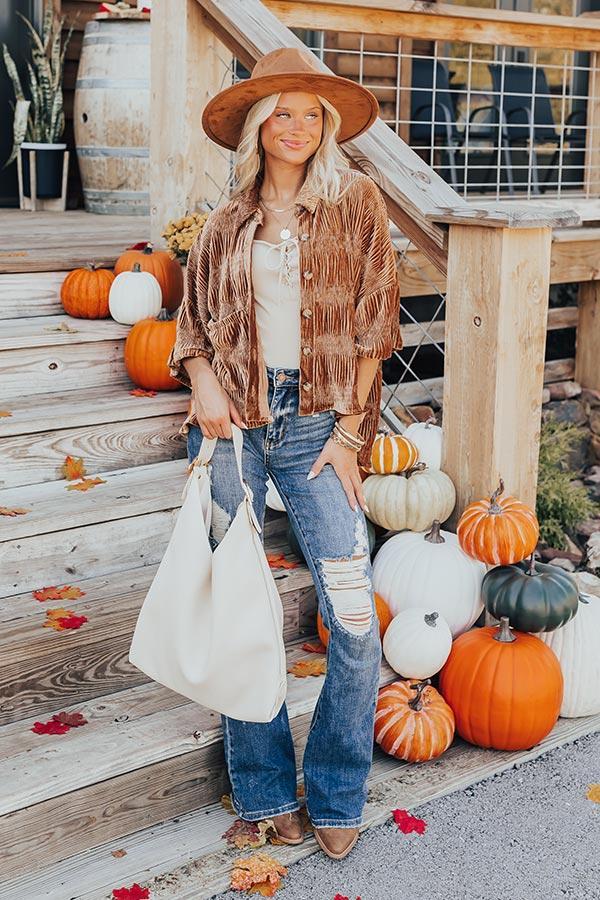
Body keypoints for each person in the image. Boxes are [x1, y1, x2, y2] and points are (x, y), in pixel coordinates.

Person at [167, 46, 403, 860]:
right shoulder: (227, 216)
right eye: (282, 113)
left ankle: (337, 790)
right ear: (258, 127)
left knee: (351, 616)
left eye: (312, 113)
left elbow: (376, 329)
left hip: (317, 427)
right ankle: (266, 793)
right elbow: (193, 322)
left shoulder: (356, 203)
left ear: (325, 127)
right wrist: (201, 383)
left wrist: (349, 436)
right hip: (234, 422)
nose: (297, 126)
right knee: (241, 610)